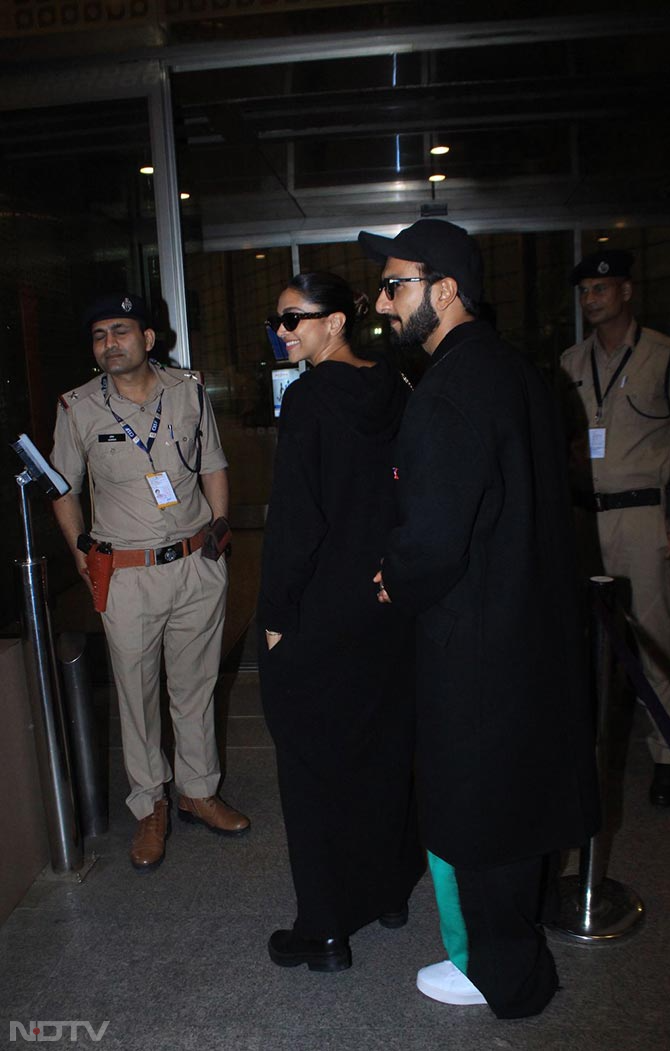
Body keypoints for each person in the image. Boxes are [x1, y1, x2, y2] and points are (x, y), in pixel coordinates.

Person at [358, 219, 600, 1019]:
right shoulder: (513, 370)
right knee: (514, 797)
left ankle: (501, 972)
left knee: (475, 806)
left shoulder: (449, 389)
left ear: (446, 289)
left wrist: (395, 579)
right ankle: (505, 951)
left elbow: (433, 535)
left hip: (477, 638)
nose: (381, 302)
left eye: (395, 285)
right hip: (528, 622)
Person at [257, 271, 424, 973]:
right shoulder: (397, 386)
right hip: (386, 605)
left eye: (295, 320)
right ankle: (388, 891)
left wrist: (275, 614)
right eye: (278, 323)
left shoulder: (308, 399)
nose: (283, 334)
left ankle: (325, 929)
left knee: (312, 769)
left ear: (336, 322)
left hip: (321, 612)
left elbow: (299, 519)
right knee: (383, 752)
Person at [51, 293, 250, 871]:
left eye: (120, 330)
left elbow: (212, 463)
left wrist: (218, 533)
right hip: (128, 573)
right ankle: (150, 807)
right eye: (98, 336)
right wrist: (83, 555)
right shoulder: (78, 407)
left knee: (195, 686)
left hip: (195, 564)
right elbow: (63, 488)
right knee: (136, 696)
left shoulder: (188, 390)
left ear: (149, 338)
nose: (109, 343)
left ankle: (198, 791)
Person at [560, 249, 670, 807]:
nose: (591, 299)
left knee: (653, 636)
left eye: (601, 289)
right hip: (583, 517)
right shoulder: (571, 362)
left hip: (641, 515)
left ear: (626, 292)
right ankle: (586, 749)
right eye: (585, 292)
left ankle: (669, 752)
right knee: (585, 639)